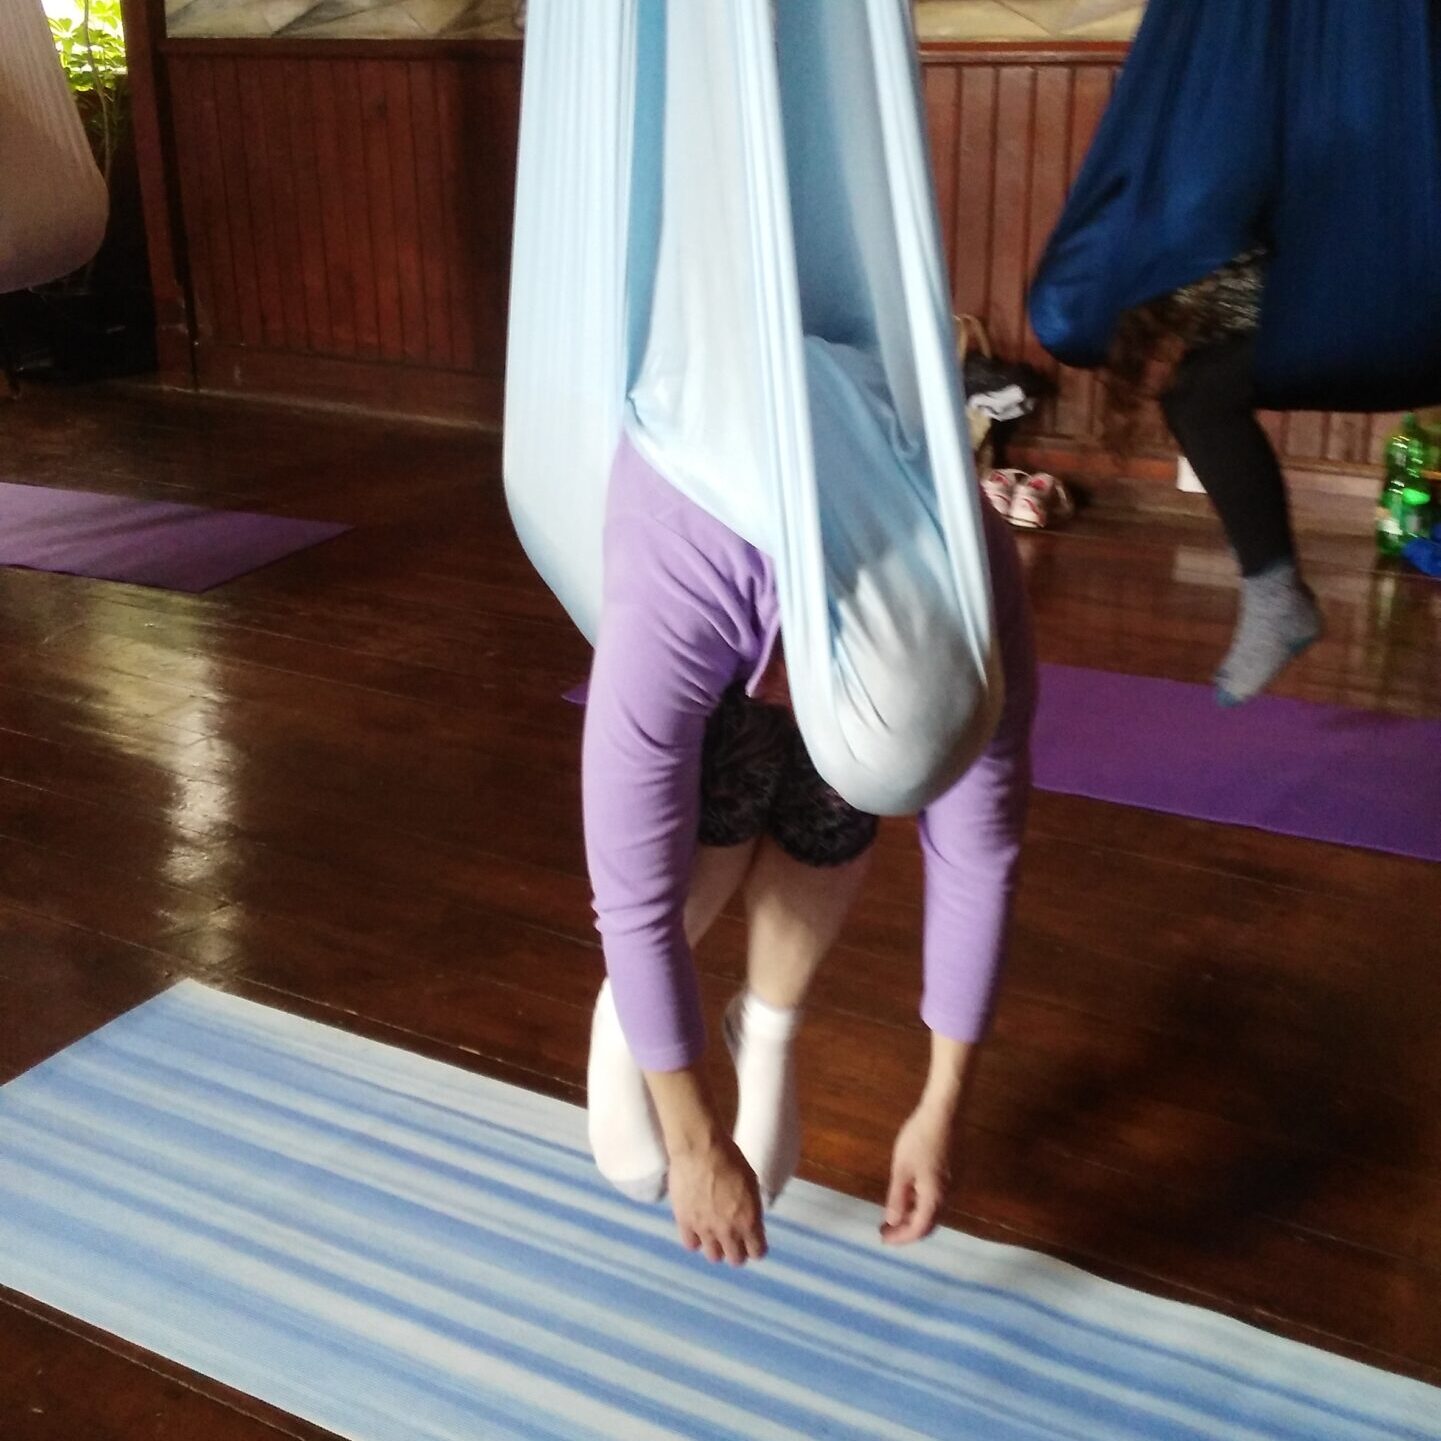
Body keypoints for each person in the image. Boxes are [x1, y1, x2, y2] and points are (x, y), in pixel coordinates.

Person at [581, 431, 1036, 1266]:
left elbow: (978, 856)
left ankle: (763, 1022)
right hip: (705, 508)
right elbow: (631, 891)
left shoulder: (978, 590)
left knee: (830, 788)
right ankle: (626, 1003)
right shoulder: (680, 563)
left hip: (846, 562)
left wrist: (943, 1102)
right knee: (740, 764)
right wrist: (692, 1141)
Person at [1105, 252, 1322, 706]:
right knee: (1191, 397)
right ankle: (1276, 596)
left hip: (1338, 303)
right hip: (1287, 310)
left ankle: (1275, 598)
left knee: (1197, 398)